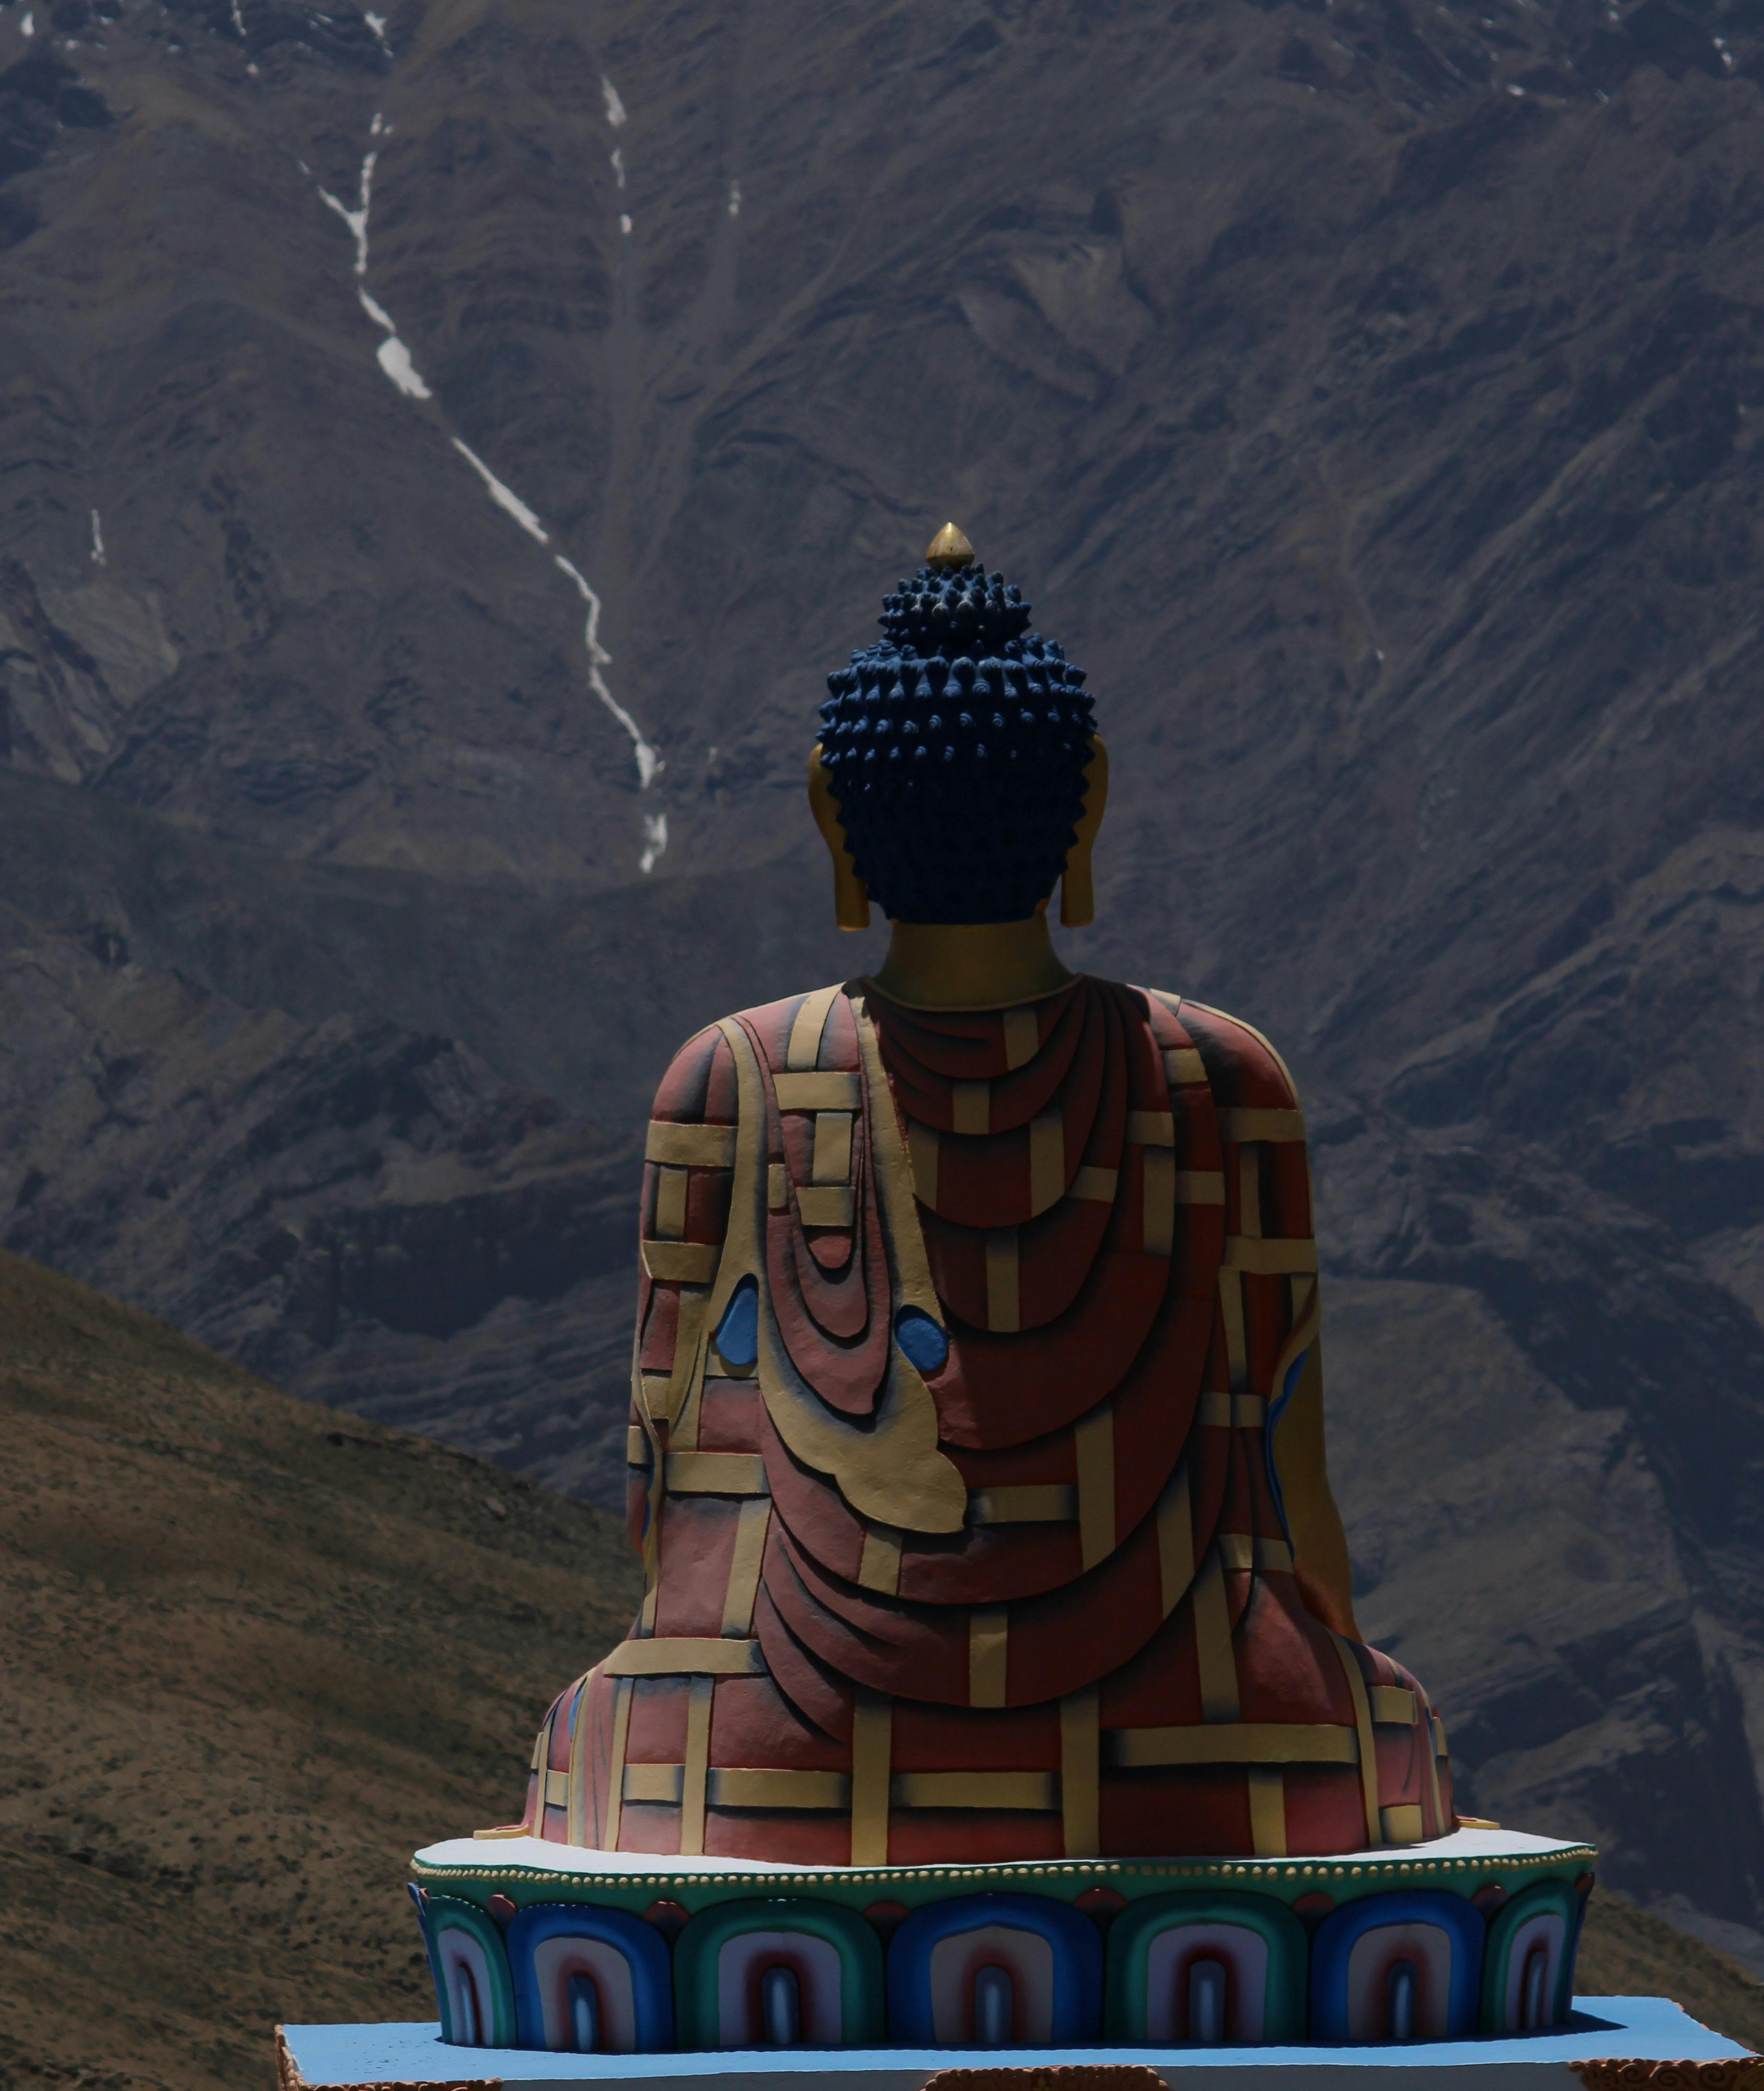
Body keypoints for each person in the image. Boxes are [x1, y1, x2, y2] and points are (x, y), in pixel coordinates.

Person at [517, 525, 1457, 1866]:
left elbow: (663, 1496)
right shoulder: (1221, 1076)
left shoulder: (729, 1081)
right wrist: (1347, 1663)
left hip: (783, 1747)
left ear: (832, 811)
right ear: (1088, 804)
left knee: (618, 1748)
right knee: (1364, 1735)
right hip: (1201, 1740)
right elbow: (1291, 1492)